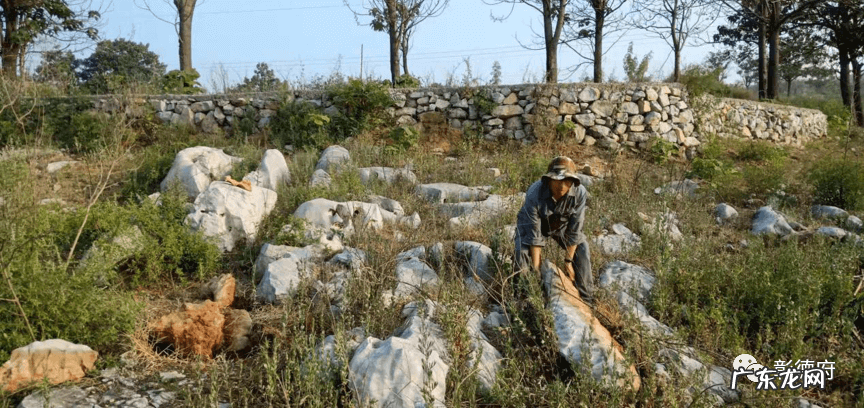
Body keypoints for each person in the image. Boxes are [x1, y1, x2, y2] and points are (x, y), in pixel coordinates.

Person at [513, 156, 593, 303]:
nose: (561, 186)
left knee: (582, 248)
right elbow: (534, 234)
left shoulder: (580, 193)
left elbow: (575, 229)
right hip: (533, 224)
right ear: (549, 180)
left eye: (567, 181)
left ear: (573, 181)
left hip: (560, 225)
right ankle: (523, 298)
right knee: (521, 252)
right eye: (557, 180)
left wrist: (568, 262)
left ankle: (586, 299)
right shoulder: (534, 193)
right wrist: (536, 270)